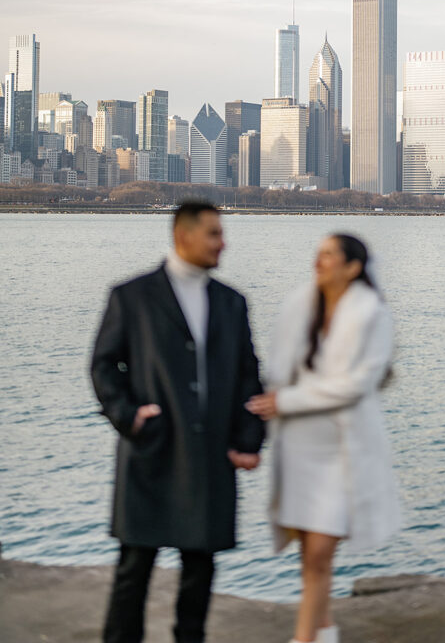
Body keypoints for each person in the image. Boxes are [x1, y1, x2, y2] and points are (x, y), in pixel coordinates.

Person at [90, 200, 265, 643]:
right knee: (135, 564)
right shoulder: (131, 296)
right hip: (152, 448)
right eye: (214, 234)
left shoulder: (232, 302)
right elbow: (104, 365)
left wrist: (248, 440)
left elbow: (249, 375)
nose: (223, 243)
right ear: (183, 236)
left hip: (210, 453)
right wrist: (128, 416)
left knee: (201, 566)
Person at [247, 233, 400, 643]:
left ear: (352, 267)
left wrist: (287, 401)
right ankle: (325, 630)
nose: (320, 261)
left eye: (330, 255)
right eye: (318, 253)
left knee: (319, 553)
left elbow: (356, 384)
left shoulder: (372, 313)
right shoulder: (300, 304)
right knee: (308, 554)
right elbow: (279, 368)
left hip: (341, 449)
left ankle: (302, 639)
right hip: (299, 445)